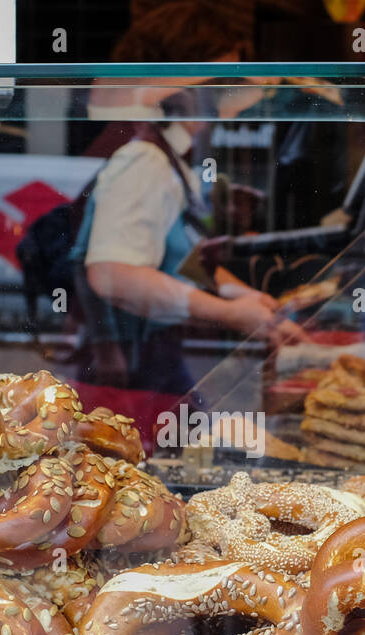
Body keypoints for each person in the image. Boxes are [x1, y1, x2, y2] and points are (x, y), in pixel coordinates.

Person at [70, 1, 308, 441]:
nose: (224, 102)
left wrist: (247, 299)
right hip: (127, 376)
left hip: (154, 368)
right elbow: (112, 274)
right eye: (216, 83)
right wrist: (229, 313)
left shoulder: (167, 156)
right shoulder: (145, 157)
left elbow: (179, 254)